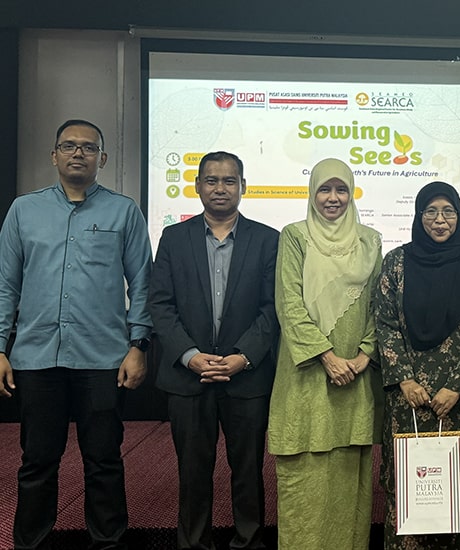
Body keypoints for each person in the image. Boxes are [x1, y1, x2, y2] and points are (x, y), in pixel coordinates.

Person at [0, 119, 152, 550]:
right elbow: (5, 284)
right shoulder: (23, 211)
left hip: (103, 360)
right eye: (69, 146)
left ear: (102, 158)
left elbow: (142, 282)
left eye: (89, 147)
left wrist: (139, 345)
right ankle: (30, 543)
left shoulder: (124, 211)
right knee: (37, 462)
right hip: (35, 358)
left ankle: (108, 542)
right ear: (54, 155)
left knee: (103, 461)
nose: (78, 153)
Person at [148, 151, 279, 550]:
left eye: (228, 180)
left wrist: (242, 357)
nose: (219, 188)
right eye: (211, 180)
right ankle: (194, 543)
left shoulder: (268, 239)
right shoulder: (174, 237)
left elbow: (273, 308)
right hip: (189, 376)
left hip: (247, 376)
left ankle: (249, 540)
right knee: (193, 470)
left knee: (247, 471)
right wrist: (190, 355)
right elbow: (160, 304)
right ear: (197, 186)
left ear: (243, 186)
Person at [375, 181, 460, 549]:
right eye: (430, 211)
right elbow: (385, 324)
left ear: (459, 216)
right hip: (411, 402)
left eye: (448, 211)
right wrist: (404, 380)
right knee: (414, 487)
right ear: (419, 216)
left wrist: (456, 385)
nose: (439, 219)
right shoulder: (396, 262)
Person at [267, 158, 382, 549]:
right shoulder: (295, 236)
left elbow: (378, 305)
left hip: (356, 379)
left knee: (350, 482)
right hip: (307, 377)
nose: (333, 198)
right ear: (312, 192)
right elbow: (289, 305)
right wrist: (328, 357)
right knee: (305, 478)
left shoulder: (371, 240)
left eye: (341, 189)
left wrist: (365, 355)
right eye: (324, 189)